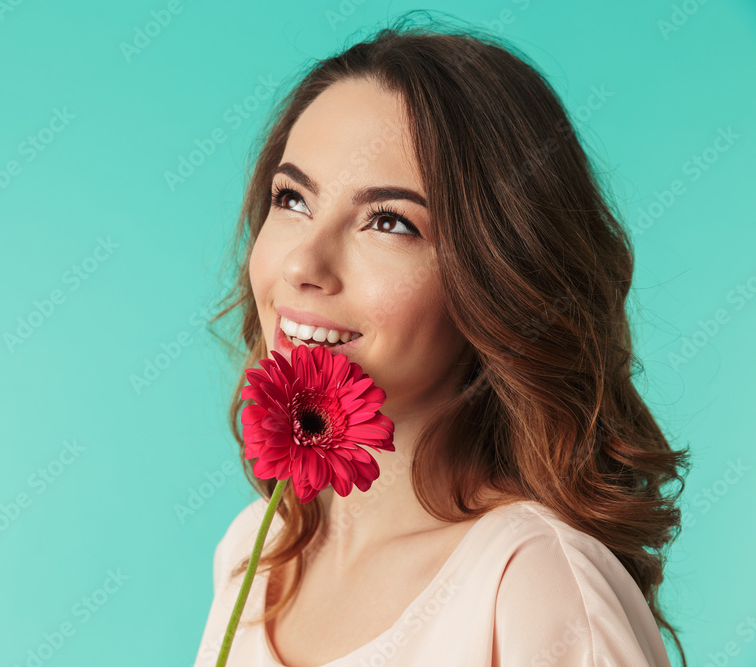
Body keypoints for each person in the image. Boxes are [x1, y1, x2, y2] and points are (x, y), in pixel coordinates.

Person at [195, 14, 690, 667]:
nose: (302, 264)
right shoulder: (253, 553)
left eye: (389, 221)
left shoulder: (533, 581)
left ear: (499, 277)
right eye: (292, 200)